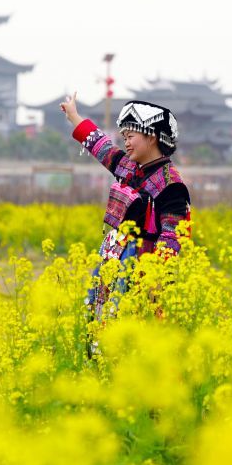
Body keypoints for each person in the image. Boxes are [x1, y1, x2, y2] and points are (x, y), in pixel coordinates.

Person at [60, 93, 191, 325]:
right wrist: (74, 116)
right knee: (98, 321)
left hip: (141, 266)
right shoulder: (128, 167)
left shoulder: (171, 184)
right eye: (124, 137)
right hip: (112, 257)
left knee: (131, 325)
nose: (126, 143)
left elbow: (172, 236)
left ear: (152, 137)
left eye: (130, 136)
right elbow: (101, 146)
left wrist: (155, 278)